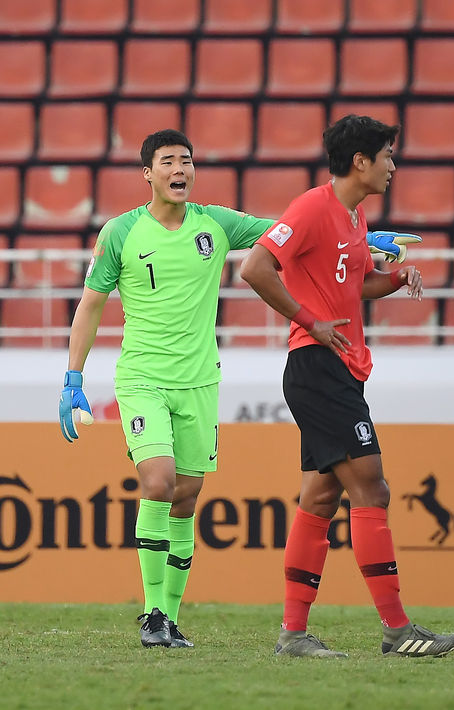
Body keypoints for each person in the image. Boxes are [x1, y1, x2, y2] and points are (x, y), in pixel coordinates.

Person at [239, 114, 454, 659]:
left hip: (336, 367)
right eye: (388, 154)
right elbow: (254, 267)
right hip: (317, 364)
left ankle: (293, 635)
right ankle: (396, 630)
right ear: (360, 161)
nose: (393, 164)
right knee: (373, 489)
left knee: (320, 495)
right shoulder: (313, 208)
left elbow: (356, 283)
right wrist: (307, 318)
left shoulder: (354, 216)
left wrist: (396, 278)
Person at [59, 129, 277, 648]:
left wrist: (359, 240)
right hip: (142, 379)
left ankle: (171, 618)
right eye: (169, 161)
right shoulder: (120, 233)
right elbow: (90, 305)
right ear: (148, 174)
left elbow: (290, 232)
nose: (180, 169)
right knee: (157, 482)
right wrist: (72, 377)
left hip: (199, 381)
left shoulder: (216, 224)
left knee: (186, 497)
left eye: (187, 160)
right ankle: (152, 614)